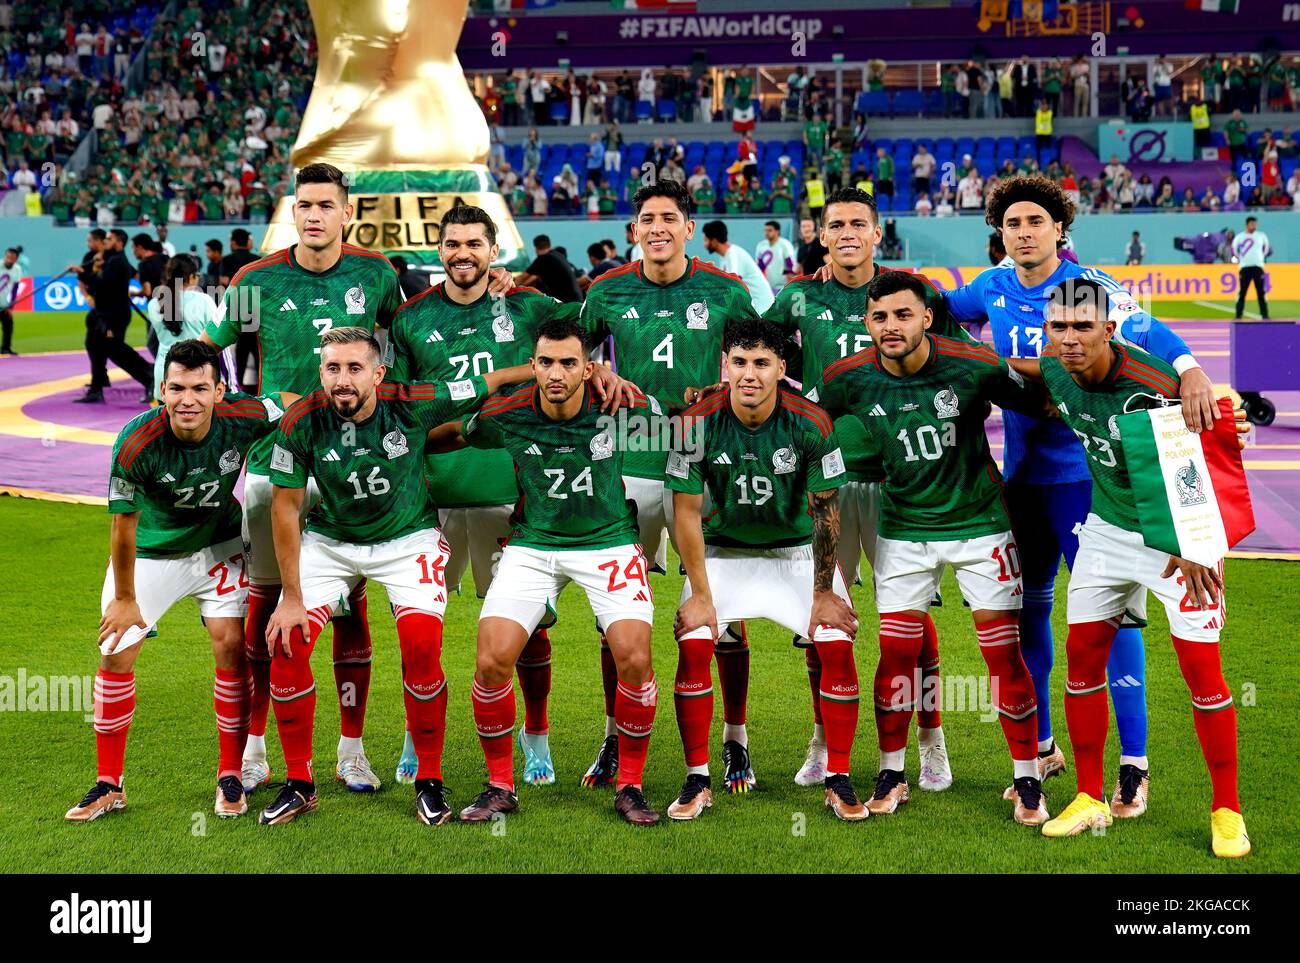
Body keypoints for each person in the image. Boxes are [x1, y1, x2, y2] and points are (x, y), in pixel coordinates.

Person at [942, 174, 1217, 815]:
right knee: (1026, 616)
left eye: (1035, 221)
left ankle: (1133, 766)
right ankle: (1041, 748)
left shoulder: (1092, 290)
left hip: (1088, 484)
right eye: (1012, 224)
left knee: (1112, 622)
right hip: (1022, 481)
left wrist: (1193, 370)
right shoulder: (992, 287)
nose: (1023, 232)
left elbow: (1157, 336)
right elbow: (936, 307)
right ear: (1000, 234)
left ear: (1059, 228)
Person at [386, 206, 630, 785]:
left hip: (514, 490)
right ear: (438, 250)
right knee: (422, 625)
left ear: (494, 250)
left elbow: (580, 353)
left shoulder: (531, 308)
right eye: (452, 243)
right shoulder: (409, 320)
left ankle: (536, 735)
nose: (462, 253)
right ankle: (416, 735)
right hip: (432, 495)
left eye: (474, 243)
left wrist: (604, 373)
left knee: (528, 629)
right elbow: (397, 404)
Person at [810, 270, 1048, 825]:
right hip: (902, 531)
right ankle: (892, 774)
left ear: (926, 317)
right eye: (880, 317)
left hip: (980, 525)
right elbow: (801, 419)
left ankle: (1027, 779)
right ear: (866, 322)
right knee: (895, 655)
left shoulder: (974, 363)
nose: (891, 326)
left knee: (1001, 655)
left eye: (902, 315)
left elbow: (1046, 400)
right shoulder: (846, 378)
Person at [202, 163, 405, 796]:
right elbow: (208, 352)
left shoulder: (377, 275)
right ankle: (257, 746)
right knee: (269, 604)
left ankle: (351, 749)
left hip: (354, 466)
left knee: (349, 603)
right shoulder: (254, 279)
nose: (313, 215)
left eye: (325, 205)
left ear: (348, 213)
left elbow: (404, 349)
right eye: (303, 205)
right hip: (273, 466)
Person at [260, 327, 518, 826]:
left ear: (379, 373)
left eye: (355, 368)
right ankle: (299, 783)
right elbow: (286, 509)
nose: (342, 380)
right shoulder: (300, 421)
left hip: (407, 541)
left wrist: (548, 369)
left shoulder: (415, 402)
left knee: (421, 646)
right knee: (287, 643)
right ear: (320, 373)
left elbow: (488, 381)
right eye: (332, 368)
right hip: (332, 543)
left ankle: (429, 780)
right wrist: (291, 596)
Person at [768, 188, 979, 789]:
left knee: (908, 616)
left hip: (899, 481)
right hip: (823, 481)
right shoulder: (799, 297)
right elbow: (755, 356)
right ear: (821, 234)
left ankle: (931, 740)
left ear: (877, 231)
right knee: (821, 614)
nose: (848, 233)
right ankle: (820, 740)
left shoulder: (912, 292)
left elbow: (962, 360)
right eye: (836, 225)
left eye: (859, 223)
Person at [1036, 279, 1249, 859]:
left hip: (1178, 538)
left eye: (1084, 327)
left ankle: (1227, 810)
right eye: (1060, 328)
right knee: (1081, 660)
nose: (1071, 339)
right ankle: (1087, 796)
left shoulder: (1156, 388)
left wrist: (1196, 544)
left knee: (1201, 672)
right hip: (1104, 531)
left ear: (1111, 329)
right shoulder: (1053, 370)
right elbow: (1022, 372)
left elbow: (1204, 469)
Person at [432, 318, 662, 826]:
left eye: (569, 363)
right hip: (534, 545)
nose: (556, 373)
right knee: (492, 659)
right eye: (546, 362)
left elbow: (686, 439)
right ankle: (499, 786)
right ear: (532, 365)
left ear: (589, 367)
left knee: (634, 659)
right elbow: (454, 434)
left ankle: (630, 785)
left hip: (609, 543)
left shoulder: (622, 407)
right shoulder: (506, 411)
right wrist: (405, 446)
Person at [576, 179, 759, 791]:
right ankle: (611, 738)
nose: (657, 228)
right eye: (646, 218)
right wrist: (598, 366)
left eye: (669, 218)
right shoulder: (604, 292)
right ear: (634, 232)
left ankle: (734, 743)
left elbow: (760, 361)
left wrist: (724, 390)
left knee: (724, 613)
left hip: (706, 466)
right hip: (627, 466)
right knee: (617, 615)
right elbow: (566, 358)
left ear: (688, 228)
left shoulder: (726, 292)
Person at [64, 339, 289, 822]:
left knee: (231, 646)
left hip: (220, 547)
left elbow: (292, 401)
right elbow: (122, 526)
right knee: (116, 649)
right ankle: (109, 784)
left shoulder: (245, 414)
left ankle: (231, 775)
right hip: (152, 553)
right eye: (178, 388)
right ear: (161, 389)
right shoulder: (136, 440)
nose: (188, 399)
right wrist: (125, 598)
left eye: (200, 388)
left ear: (219, 391)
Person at [666, 319, 864, 821]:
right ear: (724, 365)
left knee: (837, 643)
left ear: (781, 369)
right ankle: (697, 780)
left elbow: (826, 511)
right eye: (739, 362)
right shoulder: (694, 422)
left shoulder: (812, 422)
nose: (749, 374)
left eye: (761, 364)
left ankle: (838, 779)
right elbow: (685, 513)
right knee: (692, 643)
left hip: (795, 554)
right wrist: (700, 594)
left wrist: (823, 593)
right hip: (723, 553)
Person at [76, 229, 154, 404]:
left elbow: (104, 285)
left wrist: (82, 273)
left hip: (113, 315)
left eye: (109, 239)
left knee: (116, 350)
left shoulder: (118, 262)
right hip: (106, 313)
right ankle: (97, 387)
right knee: (97, 347)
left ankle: (149, 376)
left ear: (119, 243)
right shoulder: (111, 260)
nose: (106, 241)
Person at [146, 255, 217, 401]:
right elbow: (217, 334)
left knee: (166, 422)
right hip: (197, 374)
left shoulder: (154, 303)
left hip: (165, 372)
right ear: (191, 277)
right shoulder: (203, 301)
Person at [701, 220, 774, 314]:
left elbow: (733, 288)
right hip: (755, 311)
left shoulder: (733, 255)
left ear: (714, 241)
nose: (704, 244)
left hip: (763, 311)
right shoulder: (724, 257)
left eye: (706, 240)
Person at [519, 234, 583, 303]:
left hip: (567, 303)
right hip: (577, 300)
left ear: (536, 248)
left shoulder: (542, 259)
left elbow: (521, 279)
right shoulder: (558, 255)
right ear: (549, 245)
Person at [1232, 216, 1270, 319]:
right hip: (1245, 267)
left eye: (1255, 224)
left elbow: (1266, 248)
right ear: (1247, 225)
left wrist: (1261, 258)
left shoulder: (1261, 236)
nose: (1254, 226)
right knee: (1242, 291)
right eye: (1252, 224)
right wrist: (1240, 259)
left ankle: (1264, 315)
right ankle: (1238, 315)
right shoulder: (1240, 237)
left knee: (1261, 291)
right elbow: (1234, 249)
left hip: (1258, 266)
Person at [754, 221, 795, 294]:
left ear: (777, 231)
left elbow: (791, 265)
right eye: (765, 230)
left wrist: (790, 282)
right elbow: (759, 267)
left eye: (769, 230)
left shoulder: (784, 245)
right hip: (768, 287)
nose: (766, 233)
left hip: (783, 286)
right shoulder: (761, 245)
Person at [0, 246, 24, 354]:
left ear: (16, 259)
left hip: (4, 304)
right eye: (8, 257)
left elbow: (15, 288)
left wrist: (11, 306)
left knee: (8, 324)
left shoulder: (17, 269)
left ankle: (6, 348)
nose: (9, 259)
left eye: (12, 258)